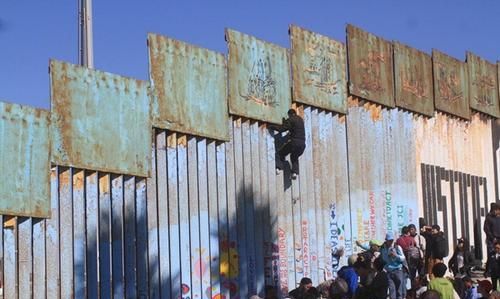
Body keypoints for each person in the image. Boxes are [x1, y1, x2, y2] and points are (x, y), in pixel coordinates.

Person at [270, 108, 306, 179]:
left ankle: (278, 168)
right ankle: (294, 173)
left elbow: (282, 129)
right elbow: (293, 129)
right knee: (294, 156)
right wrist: (286, 123)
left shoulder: (291, 119)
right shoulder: (300, 120)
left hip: (294, 143)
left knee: (280, 153)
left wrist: (272, 127)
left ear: (289, 114)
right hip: (302, 145)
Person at [380, 232, 406, 299]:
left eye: (391, 240)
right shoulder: (383, 249)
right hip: (389, 272)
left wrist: (396, 256)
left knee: (399, 291)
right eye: (389, 240)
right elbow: (383, 259)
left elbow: (403, 258)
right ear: (386, 240)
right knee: (392, 292)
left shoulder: (397, 247)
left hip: (398, 271)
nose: (391, 242)